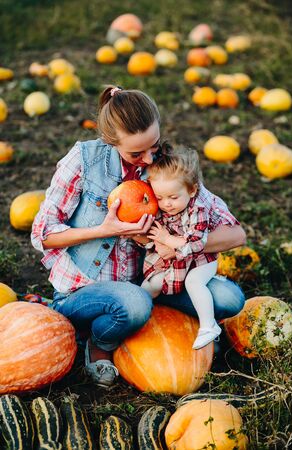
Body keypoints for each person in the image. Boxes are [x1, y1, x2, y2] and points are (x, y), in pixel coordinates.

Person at [31, 85, 246, 388]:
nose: (147, 160)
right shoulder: (84, 161)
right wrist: (105, 230)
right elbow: (43, 234)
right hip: (85, 291)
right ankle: (98, 343)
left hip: (148, 283)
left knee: (229, 298)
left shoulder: (166, 165)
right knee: (133, 305)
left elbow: (236, 233)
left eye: (154, 146)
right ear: (110, 141)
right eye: (136, 153)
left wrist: (178, 246)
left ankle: (157, 324)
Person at [142, 144, 240, 349]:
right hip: (175, 264)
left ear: (192, 189)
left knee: (194, 283)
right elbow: (152, 238)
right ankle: (143, 318)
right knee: (152, 284)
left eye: (173, 197)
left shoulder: (199, 210)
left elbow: (195, 244)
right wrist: (156, 240)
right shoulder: (163, 207)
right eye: (160, 198)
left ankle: (208, 326)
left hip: (200, 262)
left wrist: (168, 241)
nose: (166, 204)